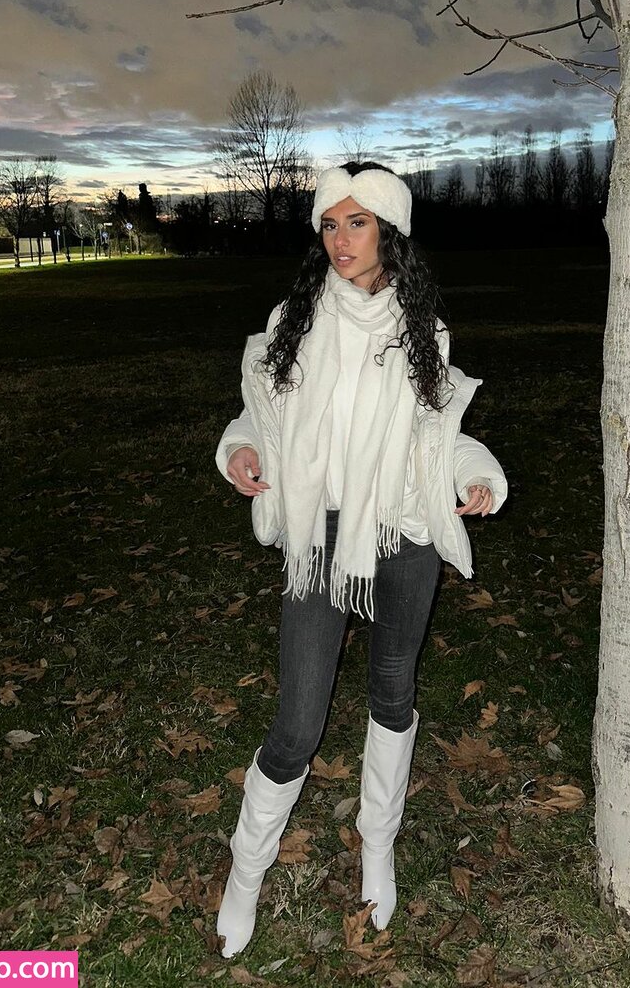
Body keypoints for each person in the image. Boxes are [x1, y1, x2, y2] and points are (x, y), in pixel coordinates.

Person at [214, 162, 507, 958]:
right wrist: (239, 452)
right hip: (321, 535)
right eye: (330, 225)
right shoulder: (295, 322)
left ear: (389, 232)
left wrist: (477, 477)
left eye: (358, 223)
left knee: (393, 688)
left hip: (400, 530)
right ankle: (246, 871)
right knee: (297, 723)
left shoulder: (421, 331)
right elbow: (255, 416)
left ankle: (379, 844)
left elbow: (438, 437)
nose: (340, 240)